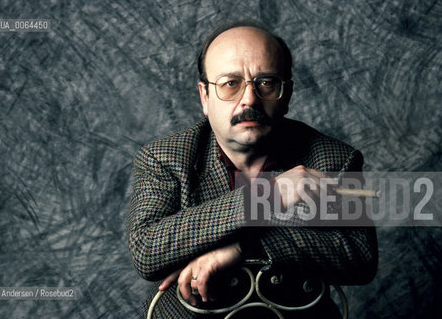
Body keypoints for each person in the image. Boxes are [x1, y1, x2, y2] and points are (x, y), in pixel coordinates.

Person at [127, 20, 378, 319]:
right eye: (230, 83)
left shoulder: (334, 158)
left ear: (286, 95)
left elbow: (358, 257)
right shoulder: (164, 158)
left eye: (266, 82)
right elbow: (146, 249)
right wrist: (268, 196)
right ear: (205, 96)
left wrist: (242, 248)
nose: (249, 99)